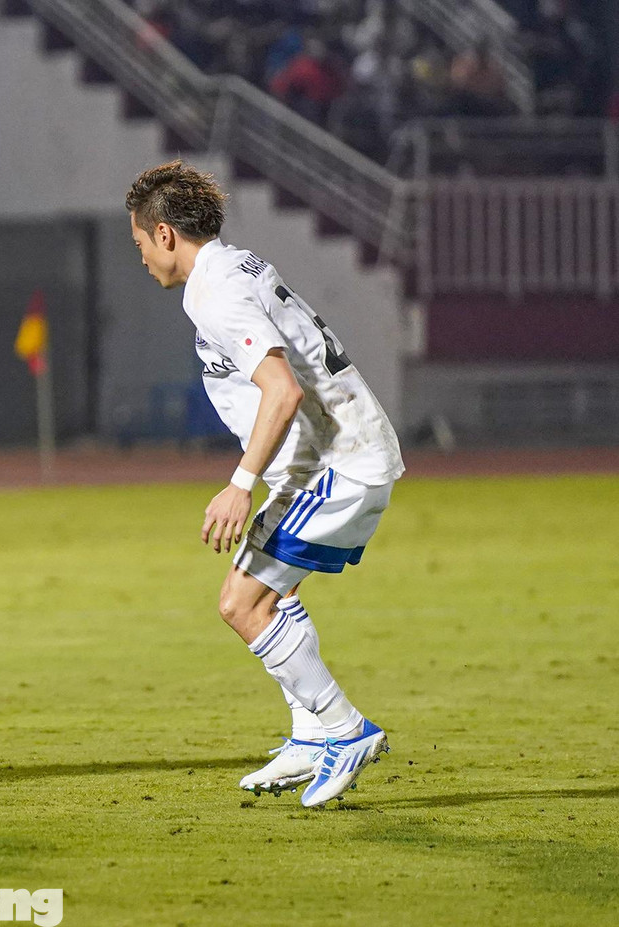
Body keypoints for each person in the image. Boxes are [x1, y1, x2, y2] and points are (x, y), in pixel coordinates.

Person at [125, 161, 404, 808]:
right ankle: (311, 735)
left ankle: (345, 728)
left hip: (342, 461)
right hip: (329, 457)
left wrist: (239, 483)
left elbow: (282, 389)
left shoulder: (214, 291)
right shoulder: (235, 265)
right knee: (266, 594)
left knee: (240, 603)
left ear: (165, 235)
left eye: (139, 243)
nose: (141, 258)